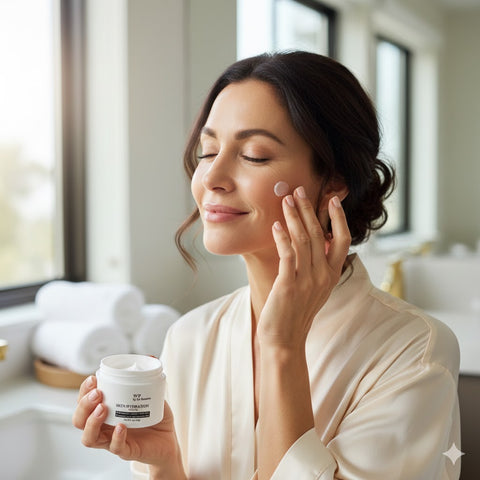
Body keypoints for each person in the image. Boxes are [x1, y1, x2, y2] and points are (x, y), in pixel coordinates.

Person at [73, 51, 461, 480]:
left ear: (333, 183)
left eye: (255, 155)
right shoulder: (190, 337)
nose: (212, 177)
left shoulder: (413, 353)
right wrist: (167, 463)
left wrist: (282, 347)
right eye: (207, 151)